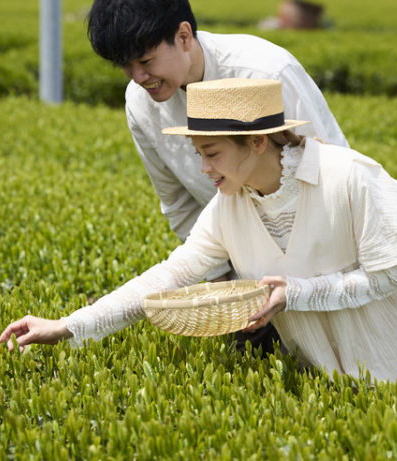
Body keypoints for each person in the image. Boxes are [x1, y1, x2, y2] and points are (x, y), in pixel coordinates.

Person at [0, 78, 397, 414]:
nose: (204, 169)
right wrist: (68, 326)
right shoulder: (229, 207)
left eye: (213, 153)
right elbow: (169, 276)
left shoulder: (349, 177)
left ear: (259, 141)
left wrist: (298, 293)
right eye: (199, 154)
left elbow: (393, 275)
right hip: (347, 323)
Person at [84, 0, 349, 352]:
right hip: (246, 285)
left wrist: (302, 290)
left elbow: (332, 179)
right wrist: (225, 289)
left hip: (325, 275)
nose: (138, 77)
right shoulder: (140, 102)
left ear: (183, 36)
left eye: (145, 62)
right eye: (125, 66)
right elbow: (178, 203)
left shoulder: (264, 71)